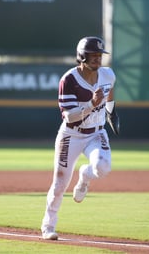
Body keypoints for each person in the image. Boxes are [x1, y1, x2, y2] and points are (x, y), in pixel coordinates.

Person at [41, 36, 119, 240]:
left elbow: (110, 93)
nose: (98, 59)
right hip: (71, 135)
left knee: (103, 166)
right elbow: (69, 116)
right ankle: (48, 226)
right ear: (82, 56)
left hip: (96, 132)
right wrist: (92, 105)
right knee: (59, 184)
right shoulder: (69, 80)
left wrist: (112, 113)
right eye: (93, 55)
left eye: (100, 55)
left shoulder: (108, 74)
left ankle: (84, 176)